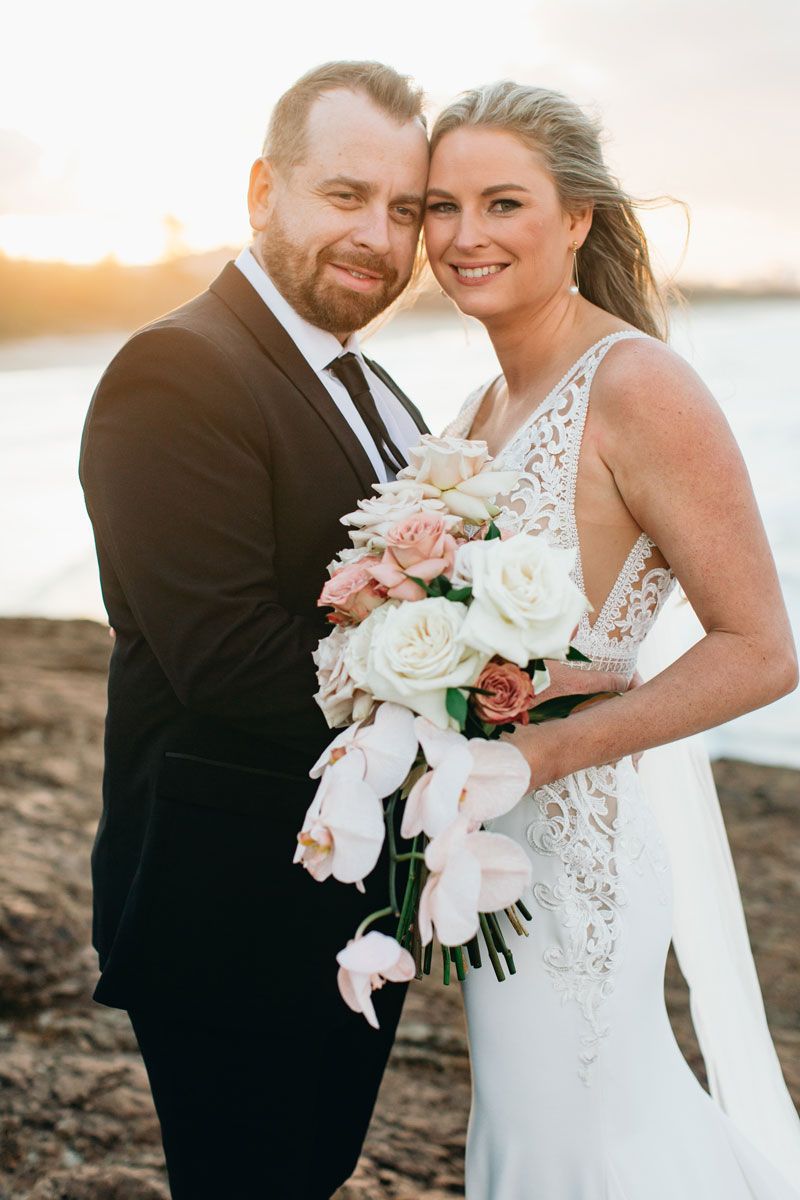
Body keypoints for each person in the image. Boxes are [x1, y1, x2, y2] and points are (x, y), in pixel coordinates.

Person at [425, 81, 800, 1198]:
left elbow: (758, 647)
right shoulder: (478, 409)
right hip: (493, 848)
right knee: (541, 1142)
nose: (463, 237)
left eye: (503, 203)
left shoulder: (636, 384)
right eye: (440, 207)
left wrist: (537, 756)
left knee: (584, 1148)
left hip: (574, 851)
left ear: (576, 217)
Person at [79, 61, 433, 1200]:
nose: (377, 236)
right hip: (225, 910)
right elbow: (225, 657)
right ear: (260, 191)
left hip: (342, 895)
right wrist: (457, 725)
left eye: (405, 209)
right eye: (345, 196)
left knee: (310, 1171)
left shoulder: (374, 384)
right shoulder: (177, 371)